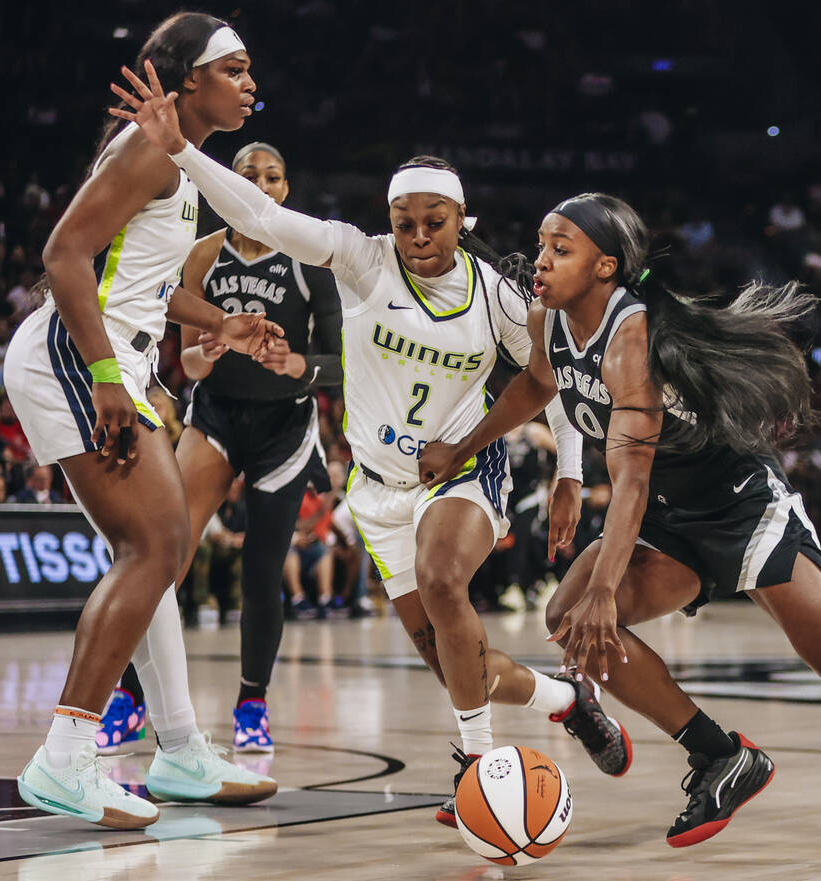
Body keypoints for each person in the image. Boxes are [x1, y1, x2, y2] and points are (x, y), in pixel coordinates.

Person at [418, 193, 821, 862]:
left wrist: (609, 585)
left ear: (605, 266)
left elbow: (632, 481)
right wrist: (461, 448)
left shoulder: (634, 341)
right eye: (543, 243)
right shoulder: (549, 318)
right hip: (672, 516)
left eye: (561, 249)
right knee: (570, 615)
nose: (543, 259)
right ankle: (720, 755)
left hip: (741, 510)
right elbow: (534, 384)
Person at [113, 71, 634, 825]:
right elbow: (259, 211)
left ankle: (476, 770)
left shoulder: (497, 295)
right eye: (404, 220)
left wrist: (568, 469)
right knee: (465, 666)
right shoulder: (362, 262)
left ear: (463, 219)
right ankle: (567, 698)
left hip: (463, 470)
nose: (418, 236)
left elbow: (543, 380)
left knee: (445, 581)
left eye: (435, 221)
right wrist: (184, 153)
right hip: (379, 487)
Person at [4, 15, 279, 829]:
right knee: (156, 546)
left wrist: (219, 322)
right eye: (233, 69)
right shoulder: (148, 150)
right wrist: (105, 380)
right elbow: (64, 257)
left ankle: (184, 749)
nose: (249, 83)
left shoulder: (180, 162)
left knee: (158, 550)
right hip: (78, 354)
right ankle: (65, 756)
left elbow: (146, 286)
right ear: (187, 81)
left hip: (108, 354)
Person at [100, 142, 343, 755]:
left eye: (272, 175)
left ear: (286, 189)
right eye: (245, 176)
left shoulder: (310, 259)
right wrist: (204, 353)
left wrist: (296, 366)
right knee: (164, 558)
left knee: (262, 574)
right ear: (222, 186)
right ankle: (128, 698)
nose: (259, 184)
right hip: (215, 420)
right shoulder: (201, 255)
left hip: (285, 428)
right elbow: (184, 362)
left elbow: (342, 363)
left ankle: (252, 705)